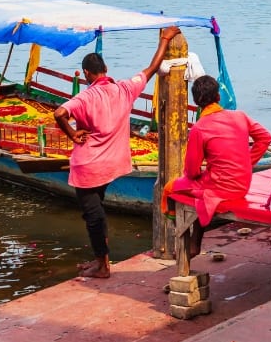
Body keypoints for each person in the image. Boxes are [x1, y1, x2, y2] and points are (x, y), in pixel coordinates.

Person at [53, 26, 180, 279]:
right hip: (112, 165)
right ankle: (101, 259)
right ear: (106, 70)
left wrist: (72, 133)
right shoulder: (124, 89)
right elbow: (151, 68)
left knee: (93, 215)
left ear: (87, 74)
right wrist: (165, 40)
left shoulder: (85, 96)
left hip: (88, 167)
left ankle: (102, 266)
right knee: (96, 209)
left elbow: (59, 113)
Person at [169, 75, 271, 258]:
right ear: (218, 97)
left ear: (196, 102)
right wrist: (247, 163)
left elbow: (192, 172)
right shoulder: (240, 116)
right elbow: (265, 137)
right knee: (202, 186)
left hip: (220, 189)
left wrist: (201, 173)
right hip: (242, 185)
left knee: (169, 189)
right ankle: (194, 241)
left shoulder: (199, 128)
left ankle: (185, 238)